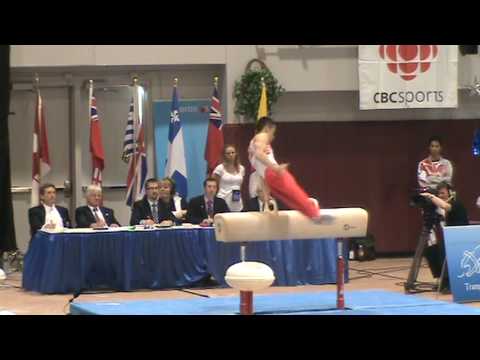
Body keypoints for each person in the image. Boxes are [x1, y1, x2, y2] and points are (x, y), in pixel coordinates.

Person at [248, 116, 321, 221]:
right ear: (267, 128)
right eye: (273, 132)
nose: (273, 136)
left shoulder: (251, 148)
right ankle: (315, 213)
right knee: (295, 192)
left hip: (269, 178)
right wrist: (276, 167)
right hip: (273, 173)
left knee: (290, 199)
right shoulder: (262, 136)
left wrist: (266, 197)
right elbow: (259, 154)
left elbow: (261, 175)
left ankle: (311, 215)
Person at [420, 182, 469, 293]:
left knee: (442, 251)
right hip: (451, 238)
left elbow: (444, 206)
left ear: (450, 192)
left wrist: (430, 196)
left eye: (443, 193)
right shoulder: (444, 205)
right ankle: (441, 279)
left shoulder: (455, 203)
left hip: (461, 238)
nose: (440, 195)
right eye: (439, 194)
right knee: (430, 250)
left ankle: (448, 283)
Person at [213, 144, 245, 212]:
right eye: (228, 153)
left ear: (236, 154)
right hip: (223, 198)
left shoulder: (241, 168)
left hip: (236, 198)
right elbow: (214, 185)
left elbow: (240, 186)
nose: (231, 155)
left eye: (233, 152)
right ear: (224, 155)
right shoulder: (220, 168)